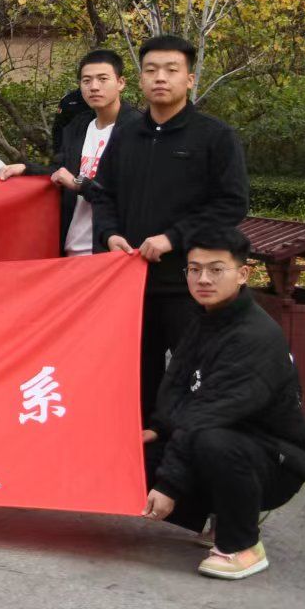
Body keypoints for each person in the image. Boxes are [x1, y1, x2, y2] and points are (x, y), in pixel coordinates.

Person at [143, 228, 305, 580]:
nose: (203, 279)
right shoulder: (204, 317)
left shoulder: (254, 336)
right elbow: (176, 386)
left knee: (212, 441)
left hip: (273, 460)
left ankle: (242, 544)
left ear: (243, 274)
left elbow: (209, 414)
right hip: (222, 436)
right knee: (141, 450)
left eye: (216, 269)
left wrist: (170, 485)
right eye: (194, 269)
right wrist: (157, 429)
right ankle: (218, 513)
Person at [90, 34, 250, 416]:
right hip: (130, 284)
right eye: (151, 70)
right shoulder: (126, 135)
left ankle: (190, 450)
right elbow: (102, 193)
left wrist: (173, 238)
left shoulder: (215, 136)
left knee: (194, 380)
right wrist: (110, 234)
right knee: (135, 381)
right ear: (140, 79)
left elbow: (231, 203)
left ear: (189, 79)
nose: (160, 77)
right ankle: (143, 449)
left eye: (171, 70)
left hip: (188, 286)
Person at [27, 49, 127, 256]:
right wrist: (25, 169)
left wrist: (77, 183)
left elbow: (130, 193)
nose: (94, 87)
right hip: (72, 249)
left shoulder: (136, 130)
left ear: (120, 83)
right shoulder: (78, 127)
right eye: (86, 81)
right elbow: (60, 170)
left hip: (112, 251)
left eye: (103, 79)